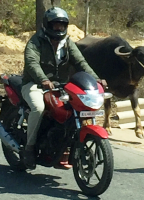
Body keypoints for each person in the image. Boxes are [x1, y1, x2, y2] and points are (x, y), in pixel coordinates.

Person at [21, 7, 106, 170]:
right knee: (38, 108)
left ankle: (64, 147)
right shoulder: (36, 41)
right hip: (35, 84)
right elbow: (32, 63)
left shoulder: (67, 42)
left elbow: (81, 63)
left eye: (62, 24)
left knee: (74, 110)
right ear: (48, 25)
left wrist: (96, 79)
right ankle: (29, 148)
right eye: (55, 25)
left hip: (61, 86)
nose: (59, 28)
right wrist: (43, 79)